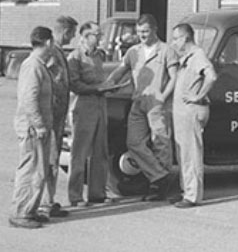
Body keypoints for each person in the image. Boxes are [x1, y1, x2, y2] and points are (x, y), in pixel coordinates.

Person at [105, 14, 178, 201]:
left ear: (155, 30)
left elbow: (174, 76)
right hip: (138, 102)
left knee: (160, 141)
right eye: (139, 32)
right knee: (134, 142)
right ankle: (161, 177)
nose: (142, 35)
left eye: (145, 31)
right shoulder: (133, 52)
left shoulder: (166, 50)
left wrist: (163, 96)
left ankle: (159, 186)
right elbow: (121, 71)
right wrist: (108, 83)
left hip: (157, 103)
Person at [9, 26, 54, 229]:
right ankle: (20, 213)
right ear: (48, 42)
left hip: (37, 128)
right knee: (30, 171)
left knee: (39, 171)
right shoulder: (33, 66)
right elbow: (29, 99)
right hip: (32, 129)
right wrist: (39, 124)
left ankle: (30, 210)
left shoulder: (39, 64)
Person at [171, 23, 217, 208]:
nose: (174, 43)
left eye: (176, 38)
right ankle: (186, 191)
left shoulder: (198, 55)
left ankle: (193, 195)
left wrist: (197, 96)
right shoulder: (187, 57)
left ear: (185, 38)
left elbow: (211, 76)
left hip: (191, 112)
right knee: (183, 152)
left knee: (191, 153)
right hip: (182, 113)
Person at [38, 16, 77, 219]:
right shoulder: (51, 53)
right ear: (64, 32)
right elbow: (48, 81)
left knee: (52, 159)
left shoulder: (58, 51)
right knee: (49, 159)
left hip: (58, 115)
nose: (73, 38)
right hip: (51, 115)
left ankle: (49, 199)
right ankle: (45, 202)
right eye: (72, 33)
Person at [67, 21, 109, 206]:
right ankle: (75, 196)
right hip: (83, 106)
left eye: (100, 35)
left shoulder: (99, 56)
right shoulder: (75, 57)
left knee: (100, 151)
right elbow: (74, 84)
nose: (100, 38)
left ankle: (97, 193)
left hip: (101, 105)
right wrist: (95, 89)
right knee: (79, 152)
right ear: (84, 37)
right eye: (96, 35)